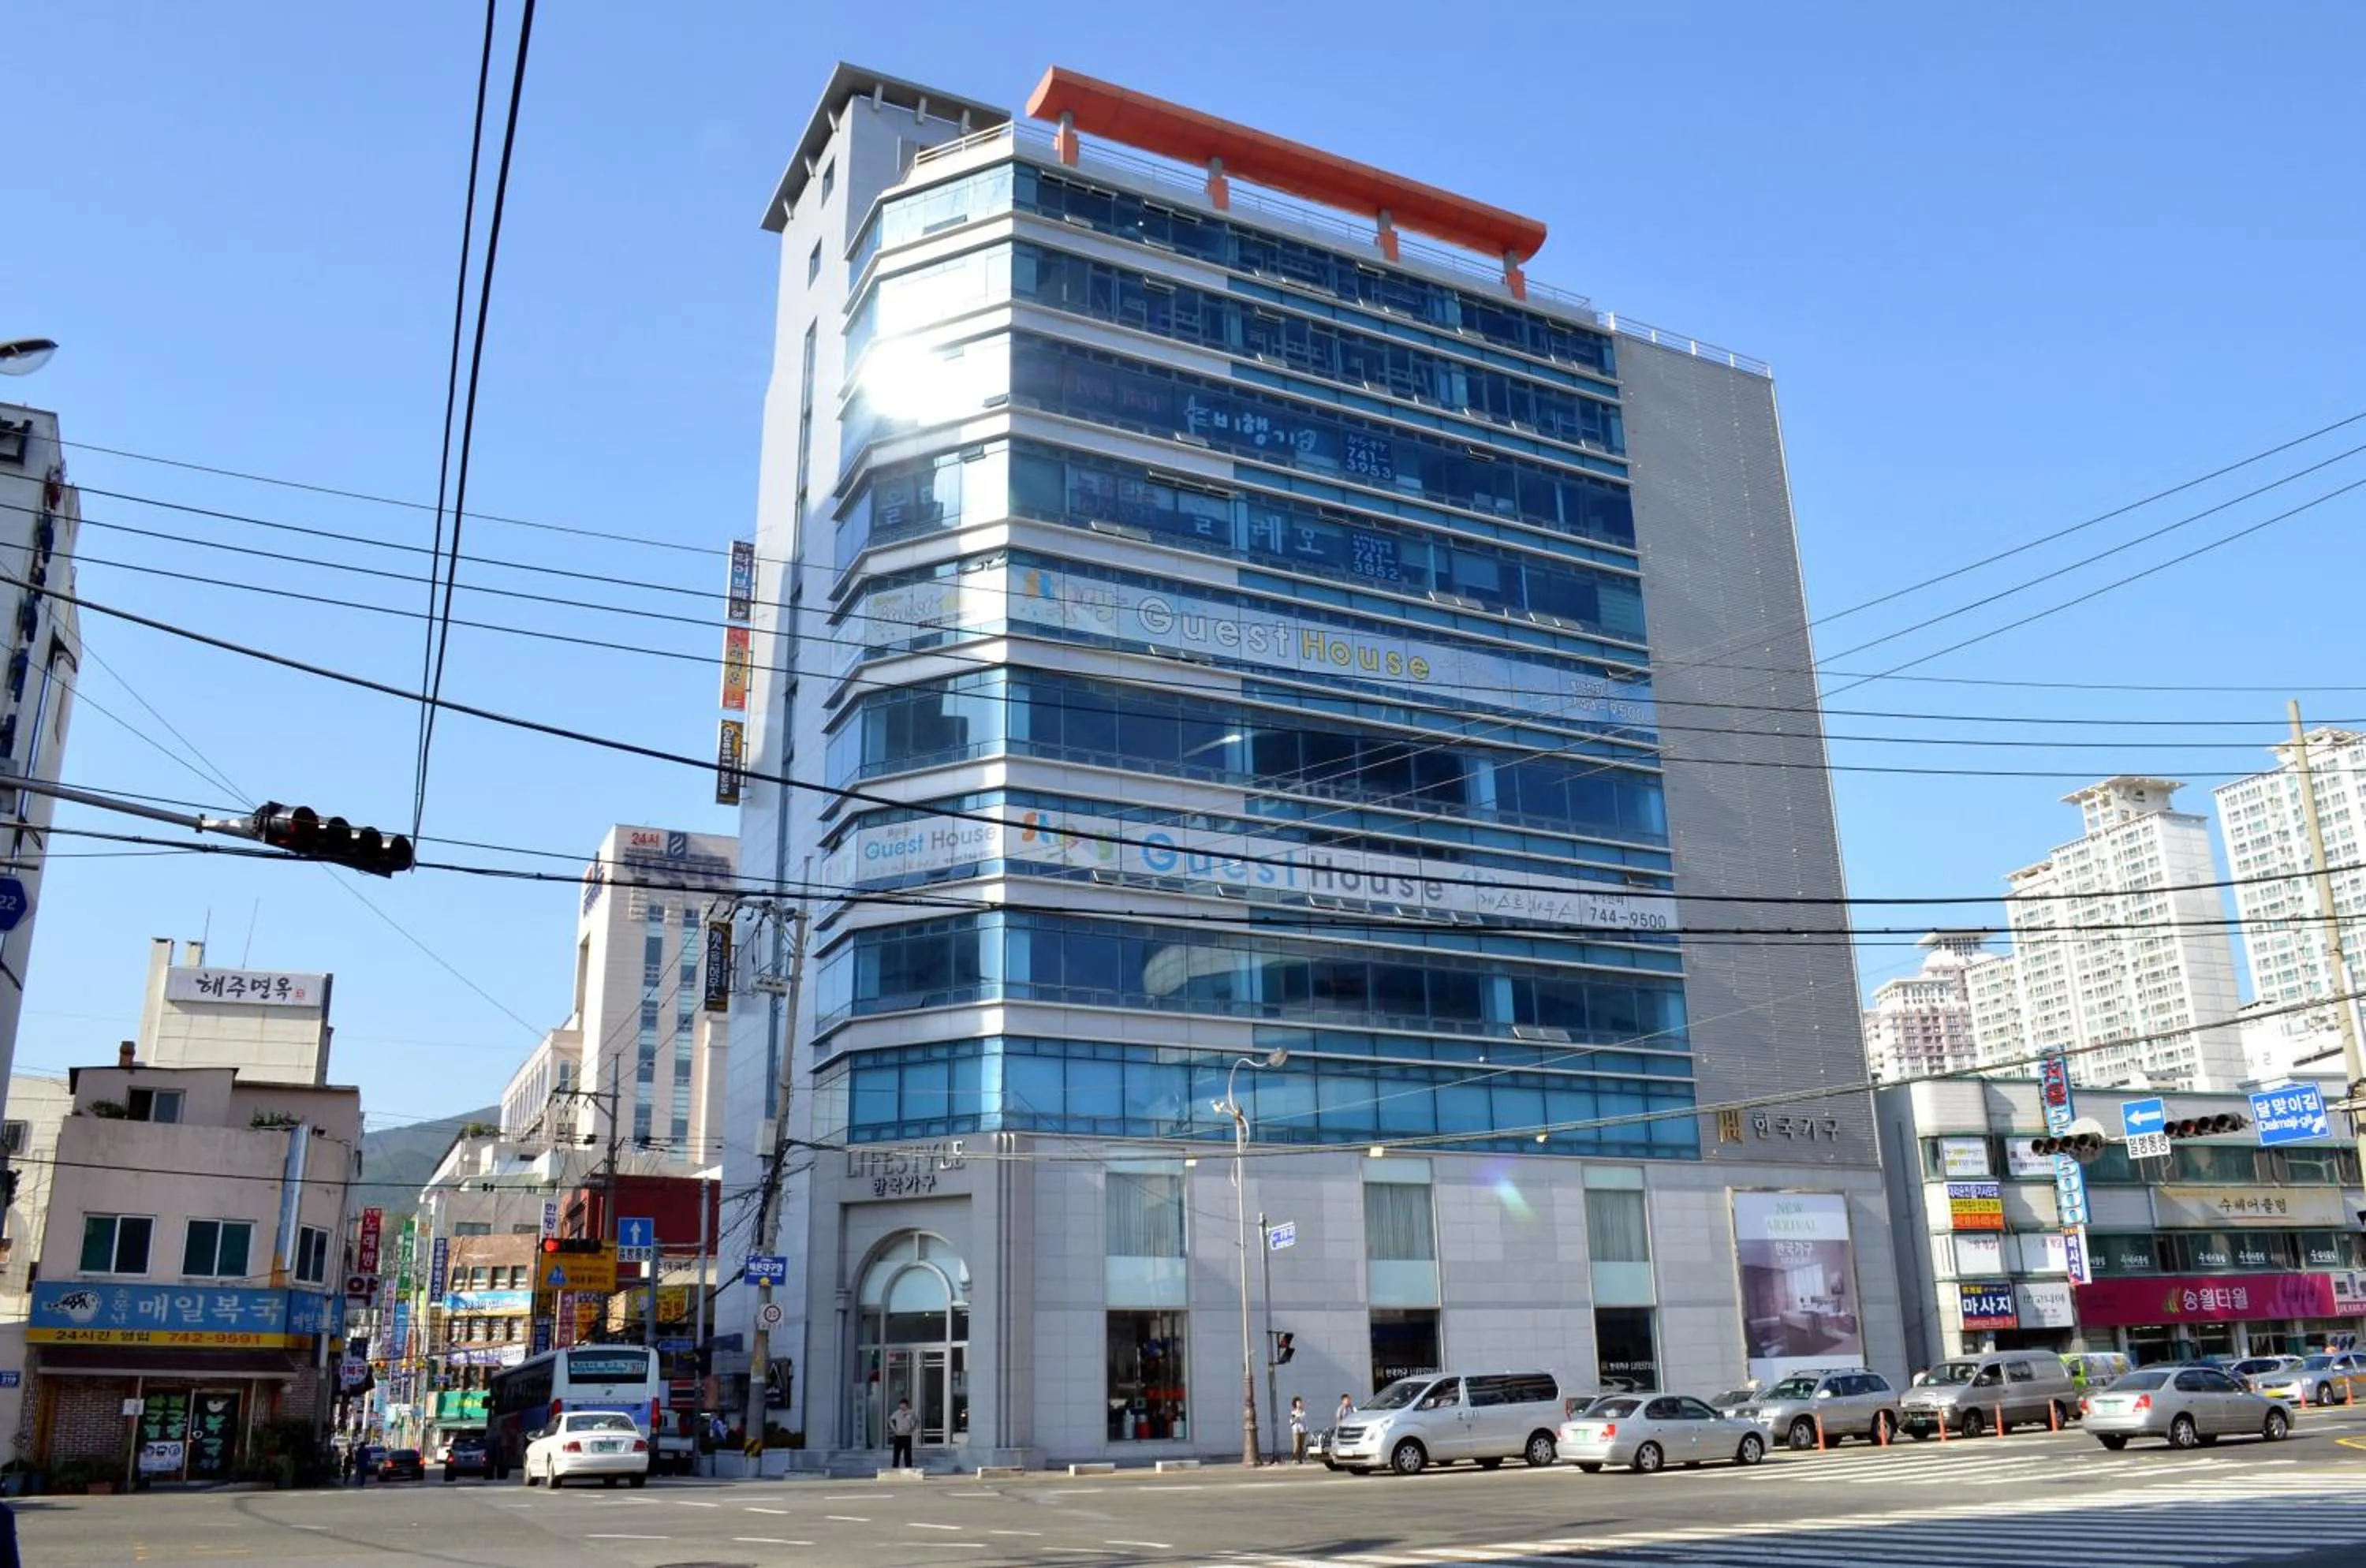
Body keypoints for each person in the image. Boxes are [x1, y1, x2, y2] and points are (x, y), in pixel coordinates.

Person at [887, 1398, 919, 1468]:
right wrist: (894, 1429)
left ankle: (908, 1466)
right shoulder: (897, 1413)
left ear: (906, 1405)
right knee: (896, 1453)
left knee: (908, 1453)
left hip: (907, 1435)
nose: (901, 1406)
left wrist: (912, 1429)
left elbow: (916, 1420)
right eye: (900, 1405)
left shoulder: (911, 1412)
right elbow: (890, 1420)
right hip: (899, 1435)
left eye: (902, 1405)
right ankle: (895, 1466)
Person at [1289, 1398, 1308, 1464]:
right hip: (1296, 1430)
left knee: (1301, 1445)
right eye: (1298, 1403)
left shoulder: (1303, 1412)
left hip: (1303, 1430)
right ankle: (1295, 1458)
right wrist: (1296, 1419)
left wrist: (1306, 1429)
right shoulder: (1293, 1412)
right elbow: (1291, 1421)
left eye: (1300, 1403)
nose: (1299, 1404)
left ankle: (1300, 1459)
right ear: (1295, 1404)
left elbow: (1305, 1422)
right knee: (1296, 1445)